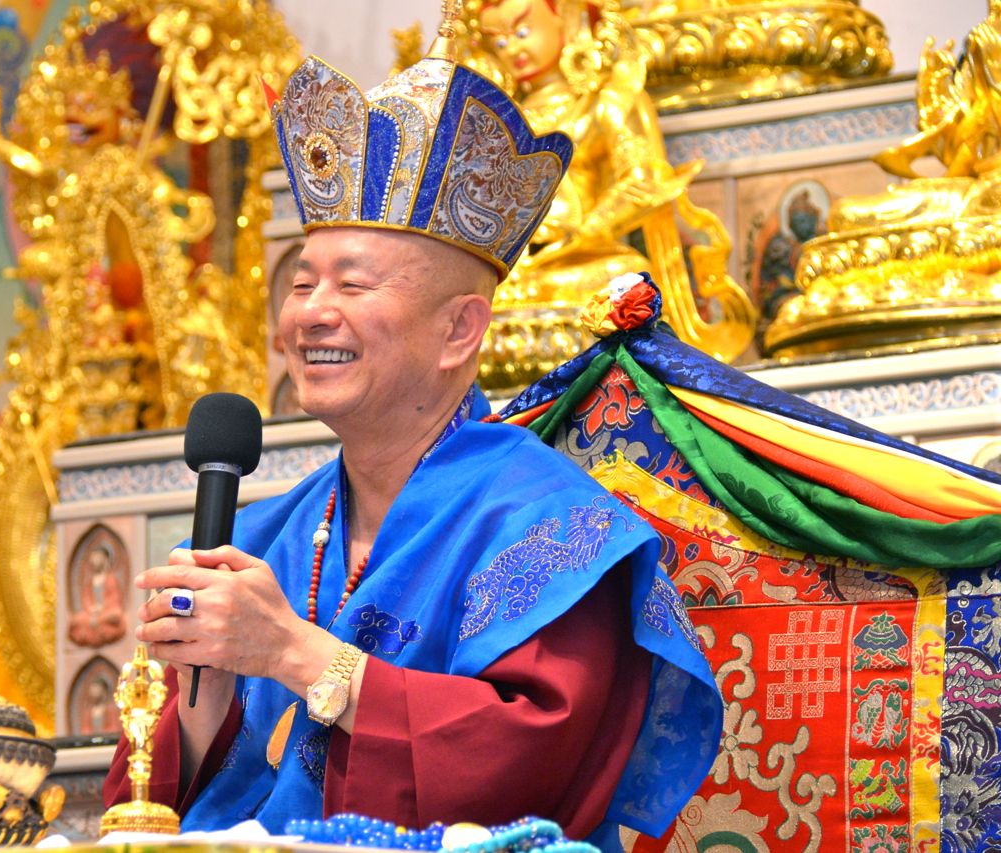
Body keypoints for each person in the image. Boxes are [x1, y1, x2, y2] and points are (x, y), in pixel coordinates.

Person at [104, 11, 721, 850]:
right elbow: (147, 805)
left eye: (352, 285)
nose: (311, 313)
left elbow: (527, 772)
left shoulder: (552, 529)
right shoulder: (260, 537)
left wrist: (297, 654)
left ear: (460, 330)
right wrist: (199, 697)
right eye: (302, 283)